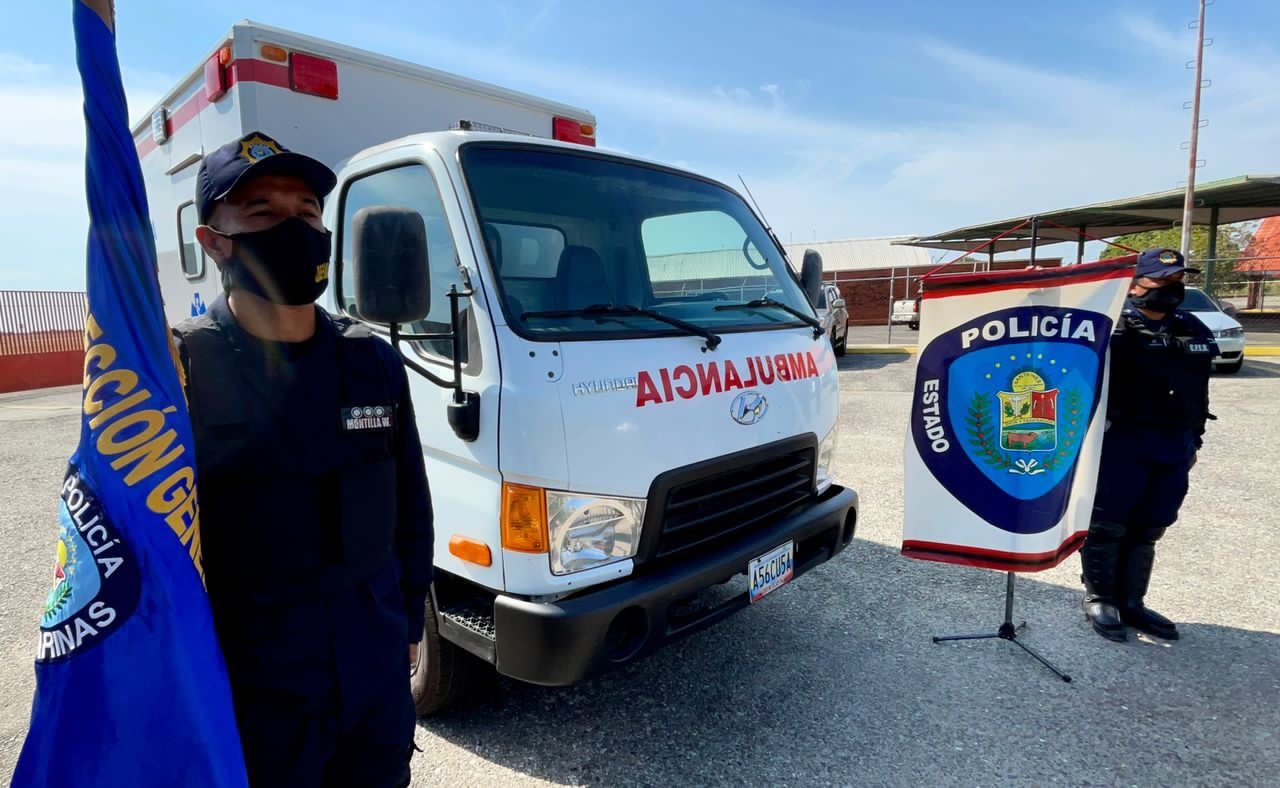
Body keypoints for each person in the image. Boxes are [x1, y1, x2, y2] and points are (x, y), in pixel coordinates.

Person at [175, 131, 433, 786]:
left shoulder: (371, 360)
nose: (295, 227)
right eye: (264, 214)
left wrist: (408, 617)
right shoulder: (181, 370)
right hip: (257, 680)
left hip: (372, 664)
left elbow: (410, 500)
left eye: (308, 212)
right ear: (214, 243)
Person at [1080, 247, 1215, 642]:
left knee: (1150, 525)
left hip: (1174, 442)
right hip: (1122, 439)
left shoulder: (1193, 329)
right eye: (1162, 280)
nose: (1172, 287)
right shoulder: (1109, 328)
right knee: (1108, 523)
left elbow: (1200, 392)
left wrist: (1195, 441)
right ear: (1136, 285)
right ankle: (1100, 598)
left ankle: (1132, 602)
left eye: (1177, 280)